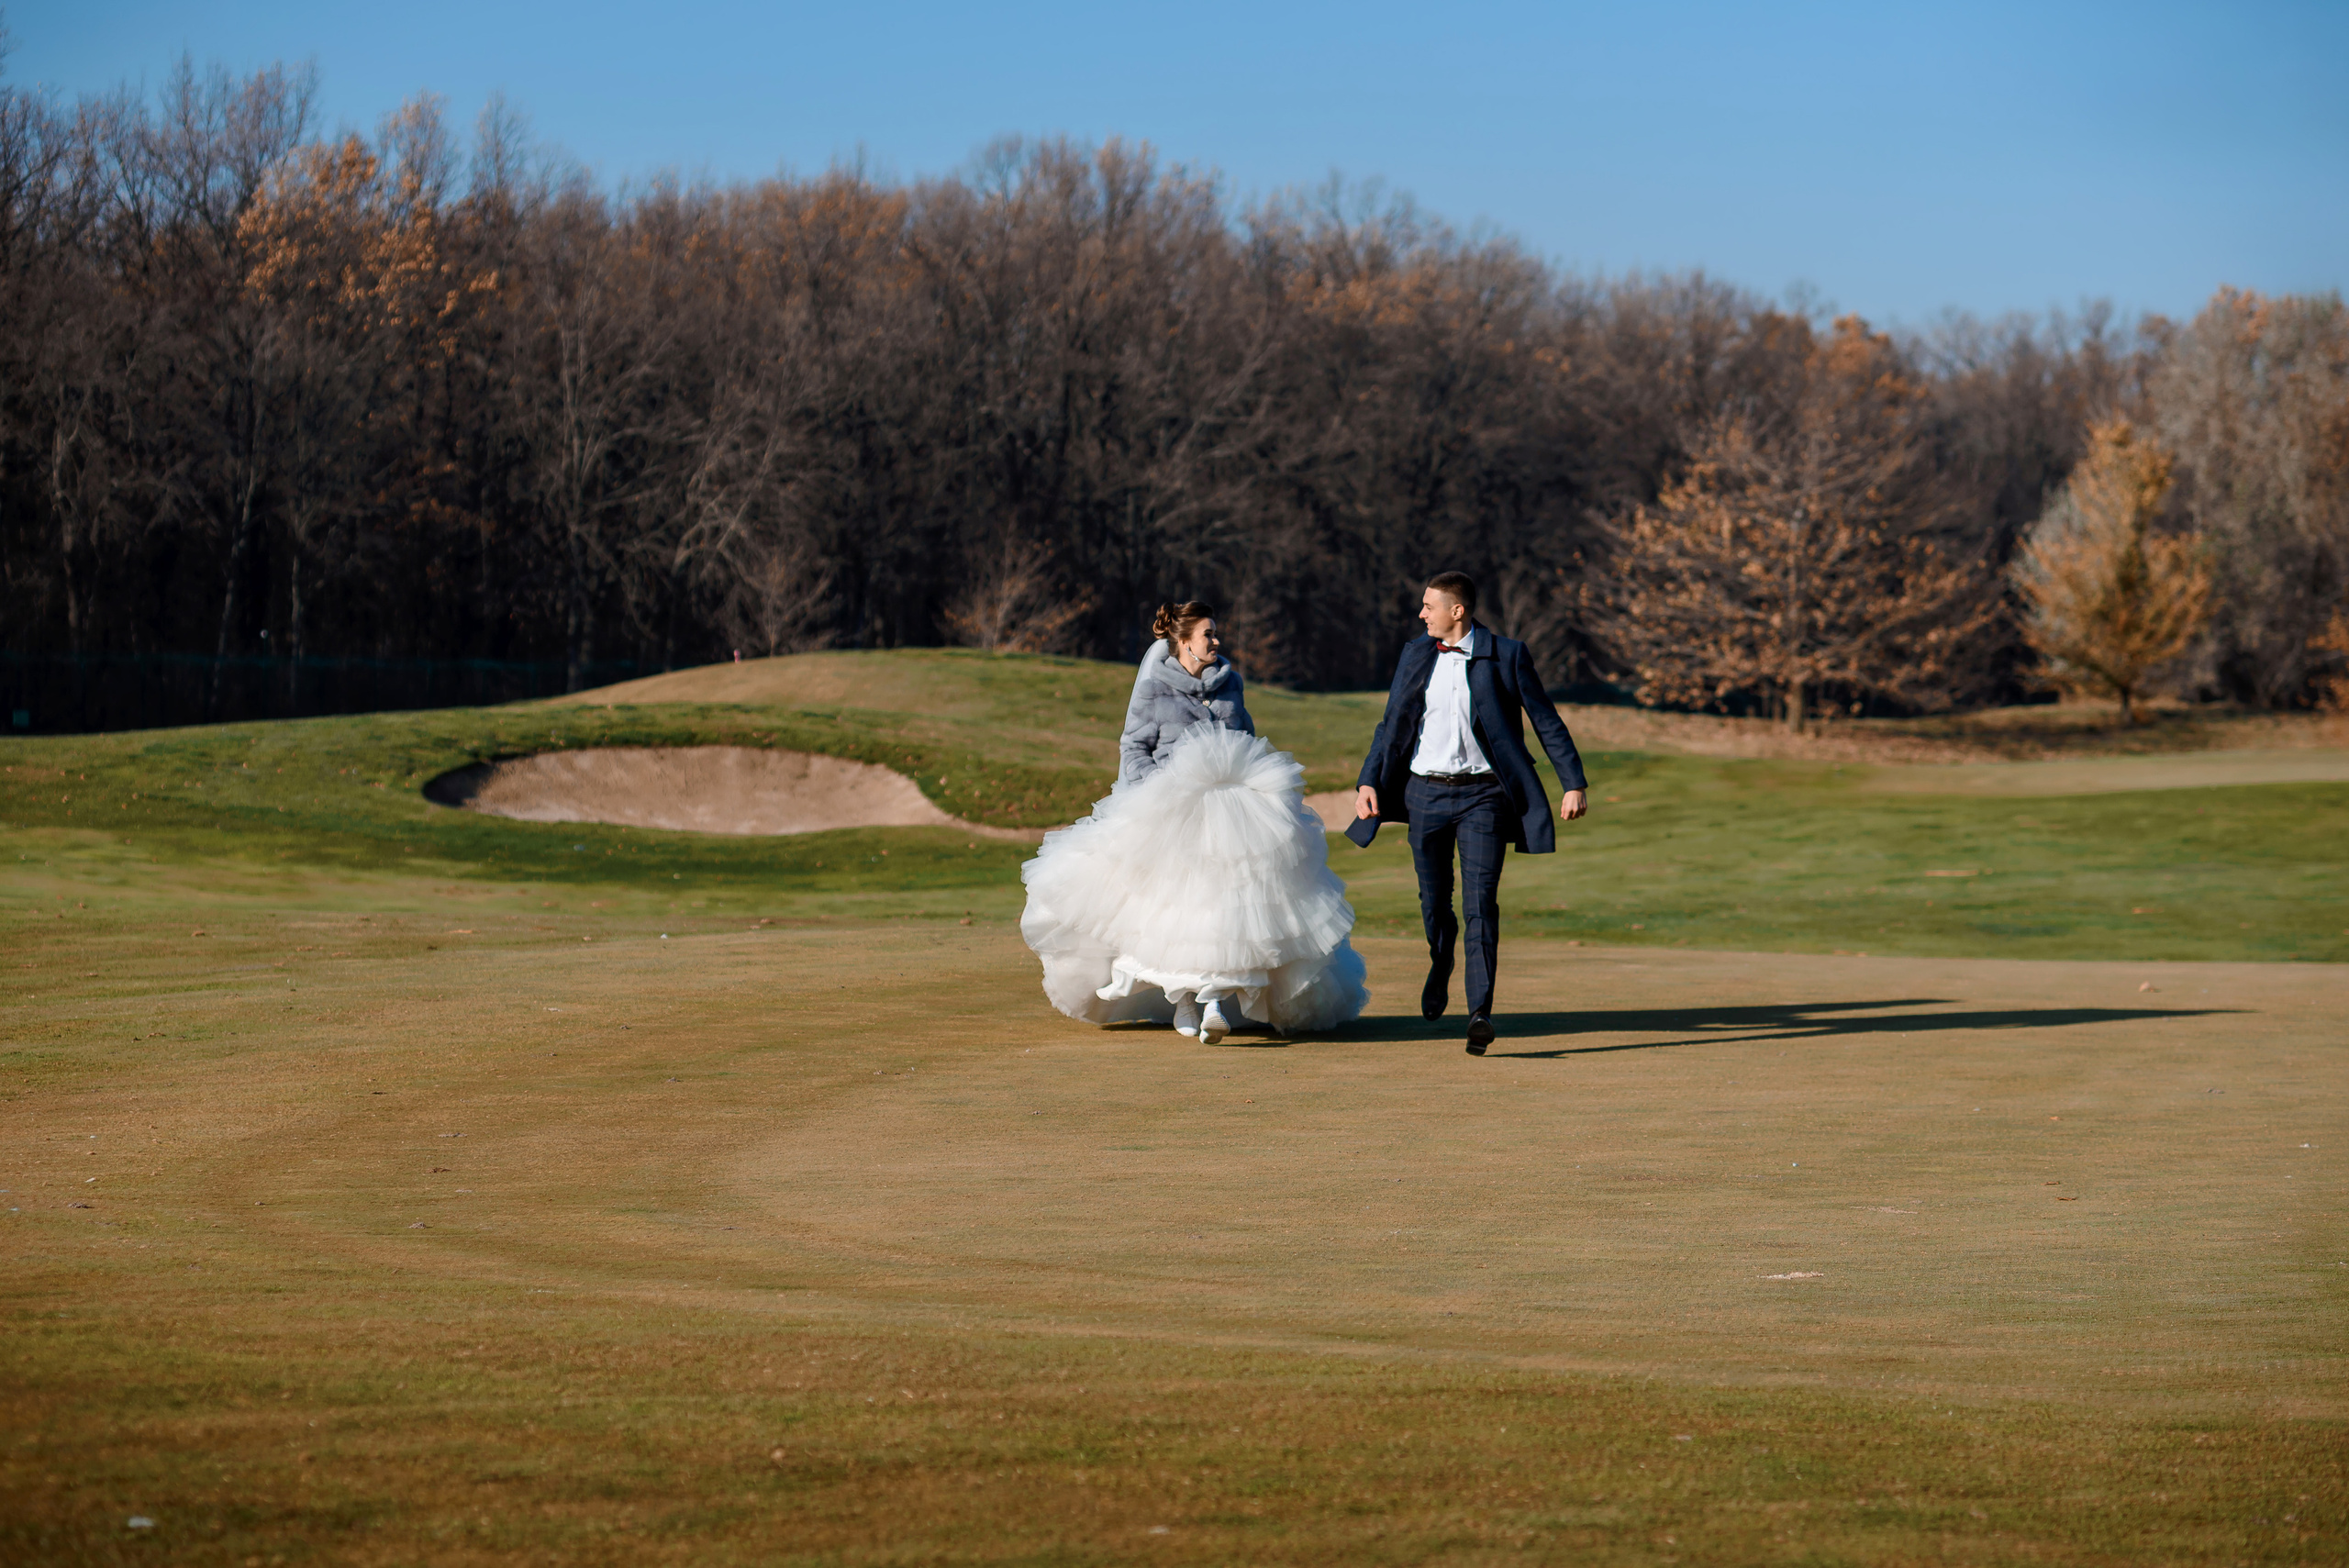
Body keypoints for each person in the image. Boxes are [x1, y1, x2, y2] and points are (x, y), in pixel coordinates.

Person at [1020, 601, 1368, 1042]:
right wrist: (1159, 789)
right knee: (1176, 911)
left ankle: (1214, 1001)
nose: (1216, 640)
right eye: (1208, 634)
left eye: (1215, 632)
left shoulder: (1230, 684)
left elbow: (1246, 739)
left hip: (1234, 817)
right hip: (1173, 815)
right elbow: (1133, 748)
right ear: (1184, 642)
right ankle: (1185, 1000)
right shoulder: (1155, 689)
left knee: (1226, 909)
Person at [1348, 572, 1589, 1055]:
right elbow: (1391, 724)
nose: (1422, 614)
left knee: (1481, 903)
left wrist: (1573, 783)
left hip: (1485, 797)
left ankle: (1480, 1012)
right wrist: (1368, 779)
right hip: (1424, 795)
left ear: (1457, 611)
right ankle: (1441, 960)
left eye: (1429, 606)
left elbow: (1545, 719)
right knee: (1435, 902)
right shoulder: (1416, 653)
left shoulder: (1508, 655)